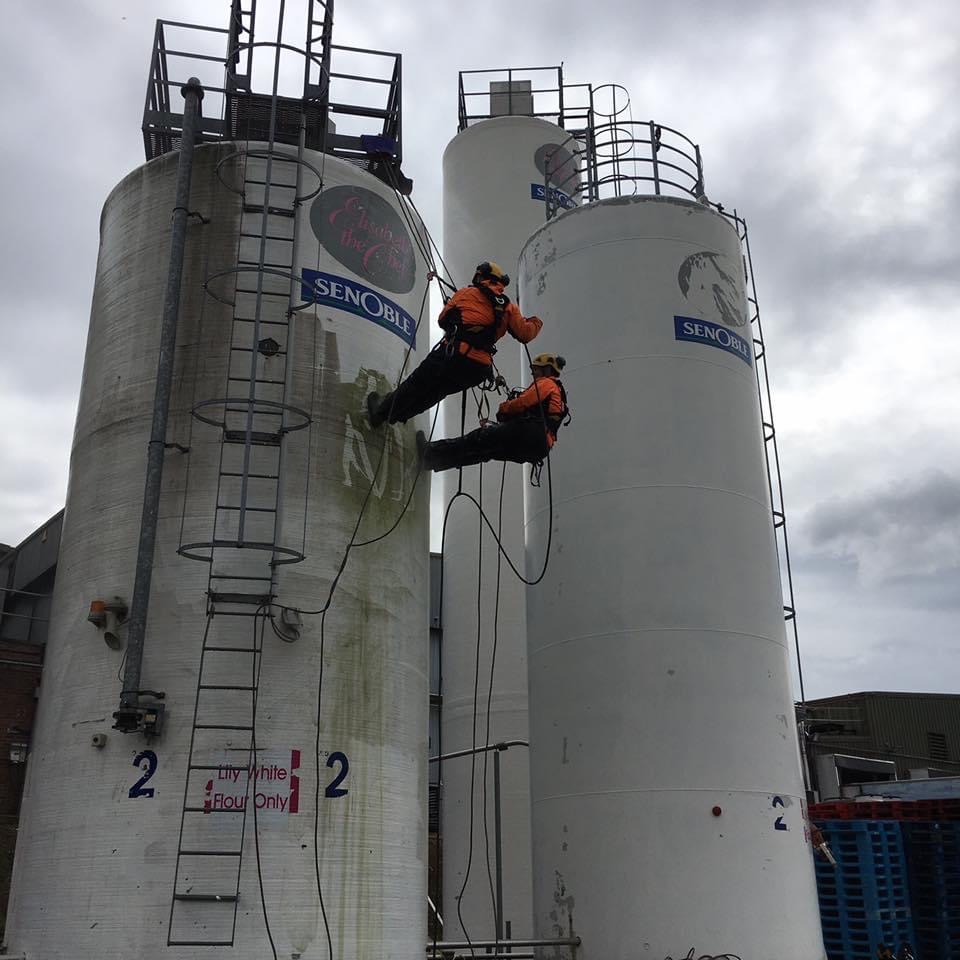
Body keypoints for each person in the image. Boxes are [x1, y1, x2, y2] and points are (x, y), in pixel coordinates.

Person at [367, 261, 543, 427]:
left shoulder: (467, 293)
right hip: (478, 369)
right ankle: (398, 415)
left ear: (481, 278)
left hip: (453, 354)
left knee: (417, 383)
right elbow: (525, 334)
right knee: (435, 393)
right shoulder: (508, 307)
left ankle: (381, 412)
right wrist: (536, 322)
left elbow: (443, 319)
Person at [418, 353, 569, 472]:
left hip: (531, 432)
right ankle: (432, 461)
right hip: (540, 447)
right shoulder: (558, 393)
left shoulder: (547, 384)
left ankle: (430, 453)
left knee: (479, 438)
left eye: (536, 369)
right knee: (485, 451)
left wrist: (504, 409)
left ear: (547, 369)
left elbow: (522, 403)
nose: (533, 374)